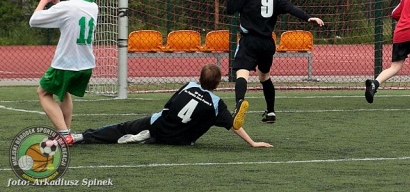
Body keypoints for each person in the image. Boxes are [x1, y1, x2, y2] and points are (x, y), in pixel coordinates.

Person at [67, 64, 272, 148]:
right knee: (179, 131)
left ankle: (83, 136)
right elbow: (234, 125)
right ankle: (148, 139)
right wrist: (252, 143)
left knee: (123, 127)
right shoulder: (216, 103)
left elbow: (168, 107)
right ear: (217, 84)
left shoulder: (189, 86)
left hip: (160, 125)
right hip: (180, 141)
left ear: (199, 78)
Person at [224, 0, 324, 126]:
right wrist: (308, 17)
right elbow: (290, 8)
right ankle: (270, 111)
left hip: (249, 40)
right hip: (267, 43)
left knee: (242, 73)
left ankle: (240, 102)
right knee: (264, 76)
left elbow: (230, 10)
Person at [29, 0, 100, 144]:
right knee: (64, 92)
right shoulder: (93, 6)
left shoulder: (66, 7)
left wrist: (44, 0)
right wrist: (57, 3)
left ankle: (63, 134)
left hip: (66, 63)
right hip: (85, 64)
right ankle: (66, 136)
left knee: (43, 92)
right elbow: (70, 20)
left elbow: (34, 20)